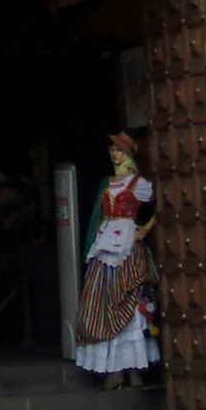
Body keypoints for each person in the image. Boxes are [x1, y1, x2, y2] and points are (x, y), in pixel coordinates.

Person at [74, 131, 159, 387]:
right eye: (113, 149)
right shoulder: (107, 183)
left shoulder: (139, 184)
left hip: (128, 246)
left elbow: (165, 203)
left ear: (129, 153)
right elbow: (98, 217)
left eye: (119, 149)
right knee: (103, 303)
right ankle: (114, 370)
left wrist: (145, 229)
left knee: (130, 301)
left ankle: (133, 369)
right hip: (105, 245)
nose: (115, 153)